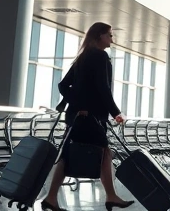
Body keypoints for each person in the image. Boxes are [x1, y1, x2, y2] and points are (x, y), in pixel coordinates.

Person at [42, 23, 133, 211]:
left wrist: (76, 104)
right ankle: (110, 195)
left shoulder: (84, 56)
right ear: (100, 36)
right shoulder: (99, 56)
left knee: (74, 155)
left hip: (78, 117)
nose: (112, 39)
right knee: (103, 151)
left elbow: (62, 86)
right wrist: (116, 112)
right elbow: (103, 88)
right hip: (90, 118)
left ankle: (52, 198)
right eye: (109, 35)